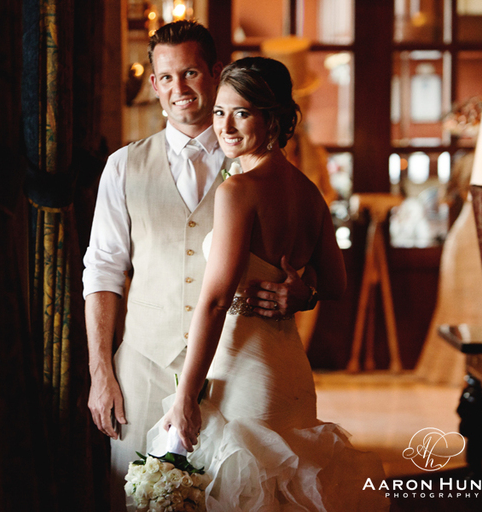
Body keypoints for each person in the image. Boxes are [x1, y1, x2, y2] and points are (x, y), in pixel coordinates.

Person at [82, 21, 317, 511]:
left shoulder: (257, 162)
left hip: (239, 372)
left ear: (215, 72)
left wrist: (302, 291)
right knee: (139, 501)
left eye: (189, 72)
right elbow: (103, 270)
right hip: (143, 368)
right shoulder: (123, 166)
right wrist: (100, 370)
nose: (178, 89)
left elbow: (308, 258)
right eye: (165, 78)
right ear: (153, 85)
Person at [158, 57, 388, 510]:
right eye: (219, 112)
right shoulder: (307, 190)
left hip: (246, 373)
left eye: (241, 113)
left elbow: (215, 301)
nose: (224, 125)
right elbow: (337, 283)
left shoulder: (237, 191)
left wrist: (186, 396)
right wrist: (305, 294)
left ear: (274, 118)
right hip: (289, 371)